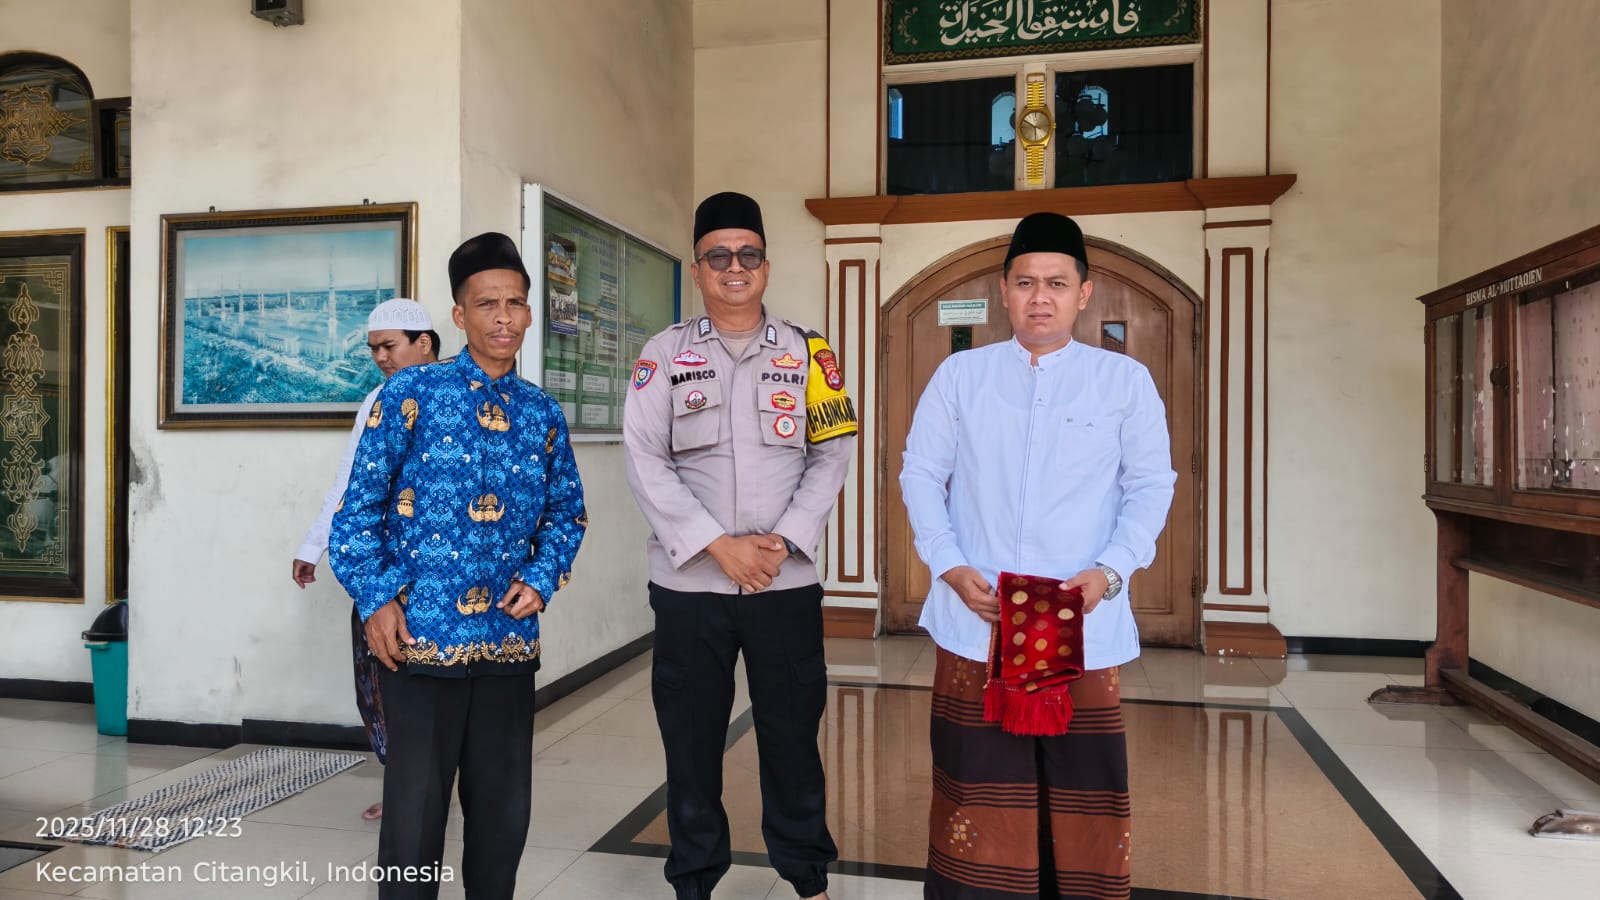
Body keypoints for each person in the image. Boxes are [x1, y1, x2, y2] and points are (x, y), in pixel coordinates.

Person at [899, 212, 1176, 899]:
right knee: (976, 787)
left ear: (1085, 293)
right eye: (1025, 282)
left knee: (1084, 788)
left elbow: (1151, 486)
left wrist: (1111, 571)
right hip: (979, 617)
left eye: (1056, 283)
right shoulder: (960, 376)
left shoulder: (1123, 381)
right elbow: (920, 474)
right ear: (1003, 292)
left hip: (1081, 621)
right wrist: (948, 564)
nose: (1040, 297)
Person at [330, 232, 587, 900]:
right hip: (419, 645)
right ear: (459, 315)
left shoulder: (543, 413)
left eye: (515, 303)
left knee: (502, 821)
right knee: (413, 822)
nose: (503, 317)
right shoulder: (410, 395)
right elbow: (355, 514)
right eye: (486, 304)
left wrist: (542, 577)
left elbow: (568, 514)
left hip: (507, 647)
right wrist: (376, 598)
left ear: (529, 313)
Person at [623, 192, 857, 900]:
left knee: (792, 737)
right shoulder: (664, 354)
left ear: (766, 266)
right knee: (691, 743)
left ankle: (807, 878)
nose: (735, 266)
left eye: (748, 254)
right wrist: (715, 546)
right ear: (697, 269)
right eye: (719, 255)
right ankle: (694, 882)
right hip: (691, 588)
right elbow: (645, 457)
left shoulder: (810, 351)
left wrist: (784, 540)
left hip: (783, 585)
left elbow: (832, 452)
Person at [291, 297, 440, 822]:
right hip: (385, 573)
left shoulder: (462, 394)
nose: (380, 357)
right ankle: (404, 785)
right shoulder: (377, 401)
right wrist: (314, 545)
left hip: (448, 576)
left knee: (439, 691)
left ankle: (430, 787)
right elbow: (350, 483)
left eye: (388, 346)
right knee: (379, 682)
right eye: (373, 348)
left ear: (424, 343)